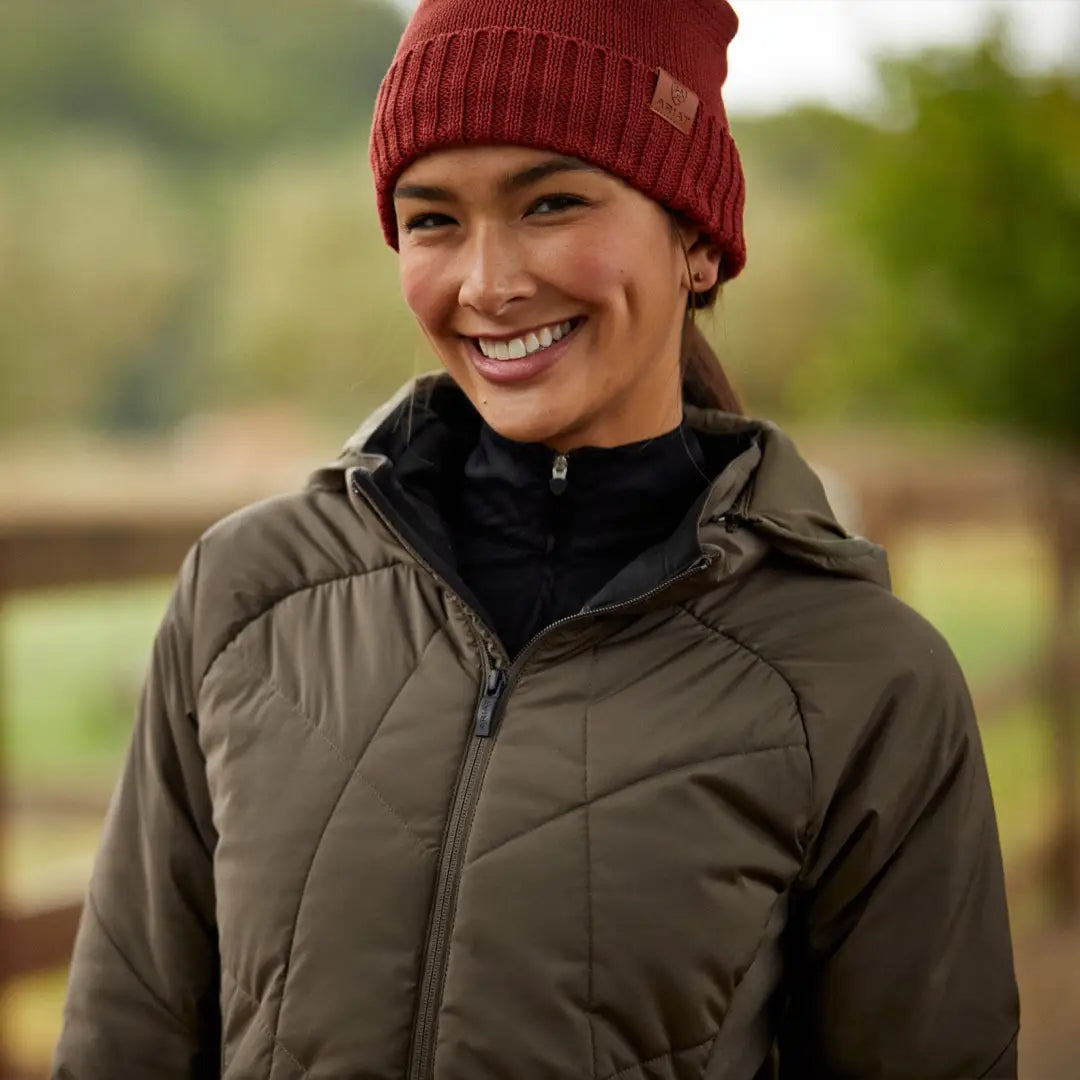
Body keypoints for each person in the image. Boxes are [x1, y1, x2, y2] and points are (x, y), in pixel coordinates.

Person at [53, 1, 1020, 1077]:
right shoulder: (246, 593)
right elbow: (124, 1036)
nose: (488, 282)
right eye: (432, 221)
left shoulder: (865, 677)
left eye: (551, 202)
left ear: (696, 237)